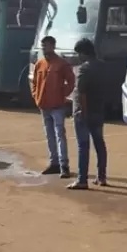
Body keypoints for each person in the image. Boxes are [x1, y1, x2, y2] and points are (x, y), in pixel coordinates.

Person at [31, 35, 76, 178]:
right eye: (43, 46)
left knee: (59, 135)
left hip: (57, 106)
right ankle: (54, 163)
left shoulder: (62, 64)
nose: (44, 48)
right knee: (49, 135)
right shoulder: (40, 64)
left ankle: (64, 165)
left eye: (47, 45)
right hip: (44, 106)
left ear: (53, 46)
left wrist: (63, 94)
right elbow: (34, 83)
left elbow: (71, 81)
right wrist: (36, 95)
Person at [66, 38, 108, 190]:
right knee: (99, 144)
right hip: (98, 110)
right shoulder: (102, 66)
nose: (78, 57)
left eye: (79, 53)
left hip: (84, 113)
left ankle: (82, 179)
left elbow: (82, 92)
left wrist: (83, 112)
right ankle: (101, 176)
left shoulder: (84, 69)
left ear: (84, 53)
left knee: (83, 146)